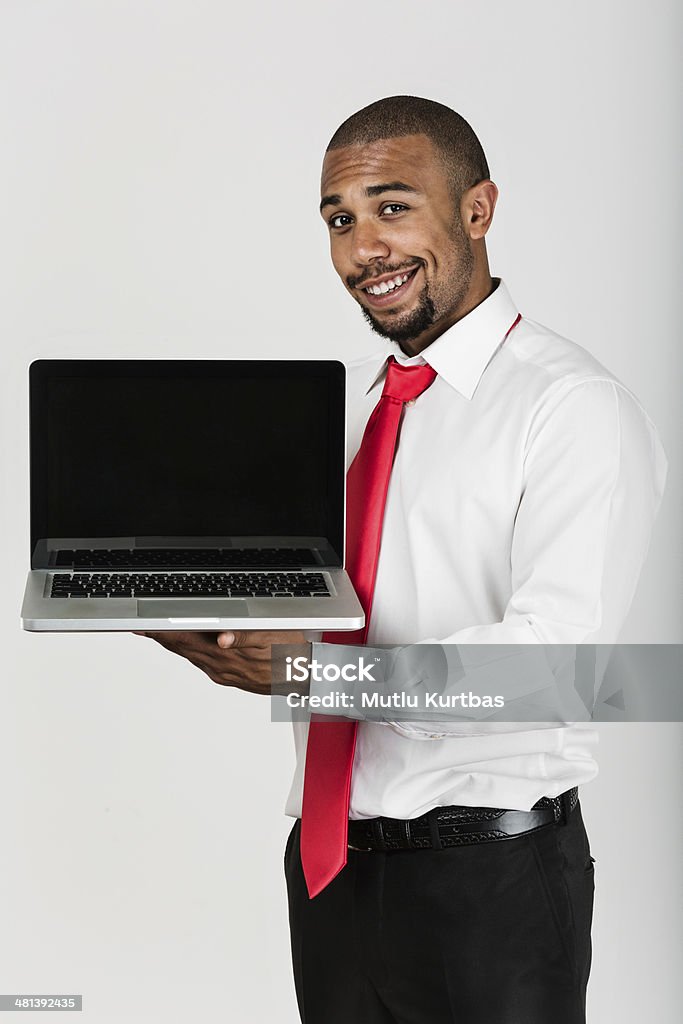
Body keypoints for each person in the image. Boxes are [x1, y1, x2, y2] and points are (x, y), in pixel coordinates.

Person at [138, 96, 667, 1023]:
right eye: (339, 220)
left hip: (488, 883)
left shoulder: (572, 406)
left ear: (477, 208)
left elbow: (559, 668)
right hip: (331, 867)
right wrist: (218, 624)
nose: (360, 250)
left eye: (392, 206)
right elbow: (345, 615)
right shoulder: (355, 416)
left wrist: (325, 677)